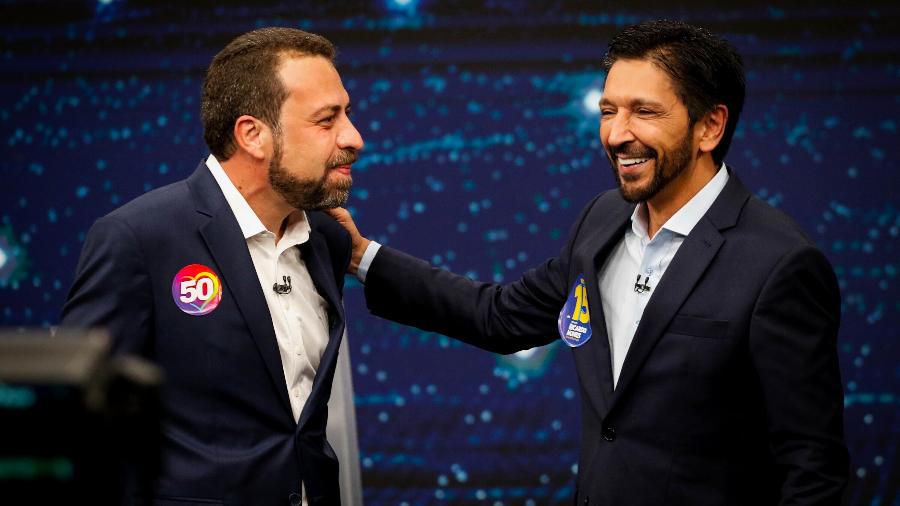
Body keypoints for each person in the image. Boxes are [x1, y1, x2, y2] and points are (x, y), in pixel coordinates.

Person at [331, 19, 848, 505]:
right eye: (608, 111)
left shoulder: (780, 264)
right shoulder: (602, 220)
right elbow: (501, 316)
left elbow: (813, 466)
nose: (617, 134)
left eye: (644, 112)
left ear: (709, 127)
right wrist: (361, 257)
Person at [61, 27, 363, 505]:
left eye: (346, 114)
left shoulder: (325, 237)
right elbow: (79, 422)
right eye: (327, 120)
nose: (354, 137)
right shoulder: (140, 238)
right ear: (253, 135)